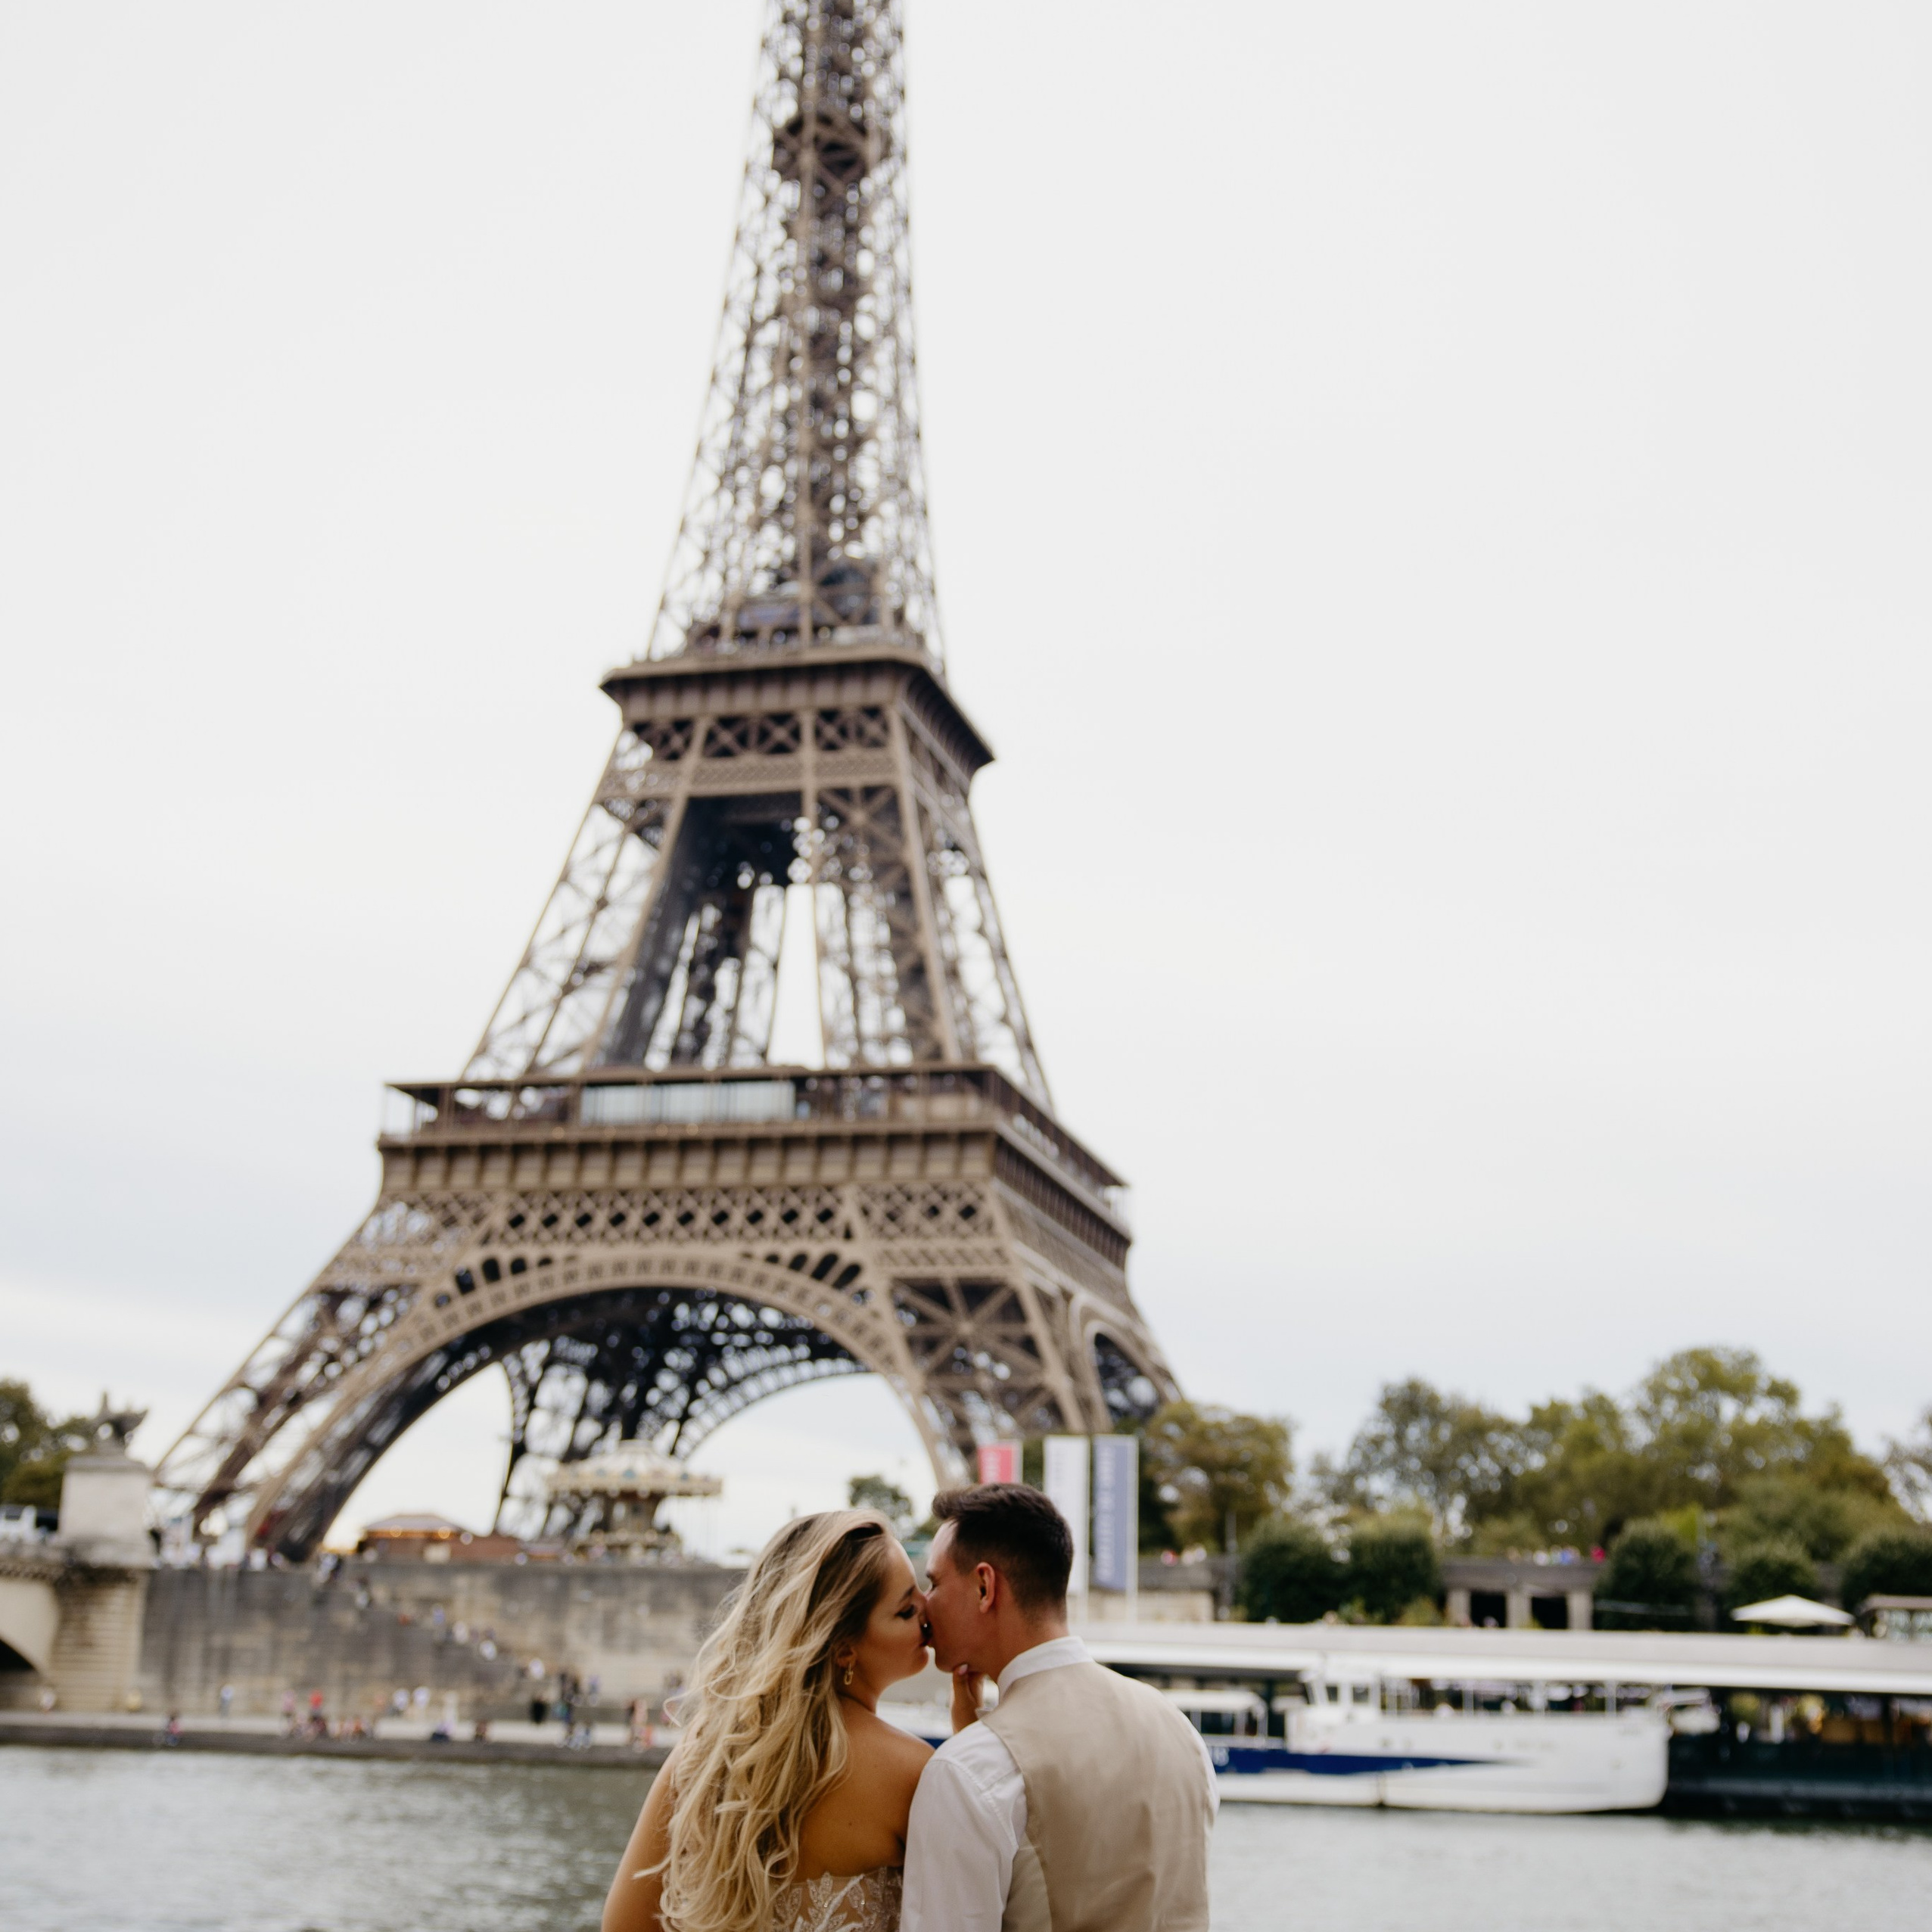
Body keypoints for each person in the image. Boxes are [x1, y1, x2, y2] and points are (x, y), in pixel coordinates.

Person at [903, 1484, 1218, 1932]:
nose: (923, 1604)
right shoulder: (1180, 1731)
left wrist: (973, 1744)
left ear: (985, 1586)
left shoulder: (970, 1769)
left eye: (934, 1582)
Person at [603, 1510, 931, 1932]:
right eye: (906, 1610)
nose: (929, 1608)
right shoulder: (911, 1772)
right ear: (844, 1649)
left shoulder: (707, 1757)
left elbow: (623, 1925)